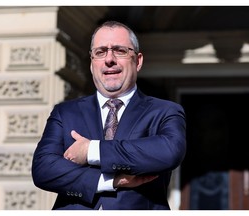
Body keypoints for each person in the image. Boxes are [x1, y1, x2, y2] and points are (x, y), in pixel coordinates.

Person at [31, 20, 186, 210]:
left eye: (120, 51)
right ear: (91, 63)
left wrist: (91, 151)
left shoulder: (164, 111)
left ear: (137, 61)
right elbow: (43, 169)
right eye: (100, 52)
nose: (109, 59)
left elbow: (168, 151)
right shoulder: (65, 113)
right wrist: (109, 181)